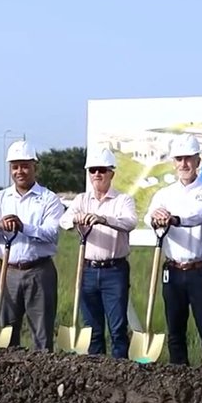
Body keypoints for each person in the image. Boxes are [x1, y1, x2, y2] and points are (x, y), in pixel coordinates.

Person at [0, 139, 66, 350]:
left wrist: (23, 227)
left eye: (25, 166)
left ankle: (42, 376)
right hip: (6, 271)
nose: (20, 171)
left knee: (42, 334)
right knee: (5, 332)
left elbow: (52, 233)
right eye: (15, 166)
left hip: (39, 271)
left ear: (35, 166)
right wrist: (0, 225)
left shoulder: (49, 199)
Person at [143, 134, 202, 366]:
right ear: (174, 162)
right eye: (179, 159)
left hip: (200, 270)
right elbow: (151, 215)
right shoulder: (163, 194)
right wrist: (156, 218)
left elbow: (201, 213)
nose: (184, 164)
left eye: (189, 158)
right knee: (175, 329)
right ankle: (179, 379)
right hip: (172, 269)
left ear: (198, 161)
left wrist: (174, 219)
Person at [59, 147, 138, 358]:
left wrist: (104, 220)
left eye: (102, 170)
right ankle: (96, 376)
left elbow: (130, 222)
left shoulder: (123, 200)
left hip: (114, 270)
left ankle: (120, 372)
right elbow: (64, 221)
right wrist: (76, 219)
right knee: (92, 330)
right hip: (87, 270)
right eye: (93, 170)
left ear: (111, 172)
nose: (97, 175)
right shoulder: (81, 200)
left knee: (117, 329)